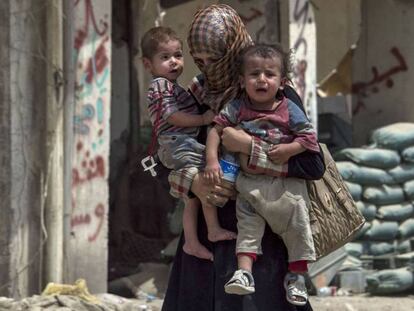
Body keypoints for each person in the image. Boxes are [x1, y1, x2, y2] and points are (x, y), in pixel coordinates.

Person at [161, 4, 325, 311]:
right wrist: (192, 182)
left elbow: (313, 165)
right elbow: (164, 155)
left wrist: (250, 147)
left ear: (235, 52)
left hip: (259, 235)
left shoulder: (276, 95)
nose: (209, 67)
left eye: (217, 59)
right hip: (208, 238)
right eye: (200, 60)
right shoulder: (194, 94)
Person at [204, 44, 318, 306]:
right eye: (254, 74)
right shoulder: (237, 107)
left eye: (269, 74)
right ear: (242, 81)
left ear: (282, 83)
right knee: (247, 226)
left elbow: (309, 138)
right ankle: (244, 273)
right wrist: (211, 159)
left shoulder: (289, 108)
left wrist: (289, 149)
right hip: (249, 183)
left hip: (285, 186)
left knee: (298, 227)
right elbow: (216, 129)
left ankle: (297, 278)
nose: (262, 79)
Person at [141, 26, 237, 261]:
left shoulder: (176, 87)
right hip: (179, 143)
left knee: (190, 197)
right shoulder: (160, 86)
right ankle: (212, 230)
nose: (173, 62)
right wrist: (203, 119)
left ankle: (192, 242)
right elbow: (171, 116)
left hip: (181, 143)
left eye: (178, 55)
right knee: (205, 181)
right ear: (147, 64)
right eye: (165, 57)